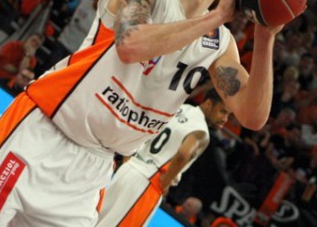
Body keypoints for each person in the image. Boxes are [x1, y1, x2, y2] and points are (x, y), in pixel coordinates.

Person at [0, 0, 281, 226]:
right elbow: (130, 45)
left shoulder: (219, 43)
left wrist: (266, 36)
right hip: (43, 133)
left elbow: (252, 116)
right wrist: (214, 17)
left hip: (92, 170)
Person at [96, 89, 230, 226]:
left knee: (97, 220)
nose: (225, 119)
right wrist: (166, 182)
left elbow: (143, 122)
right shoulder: (201, 131)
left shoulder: (180, 108)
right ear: (208, 104)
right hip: (148, 182)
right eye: (222, 112)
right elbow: (184, 153)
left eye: (228, 115)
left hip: (129, 169)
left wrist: (128, 154)